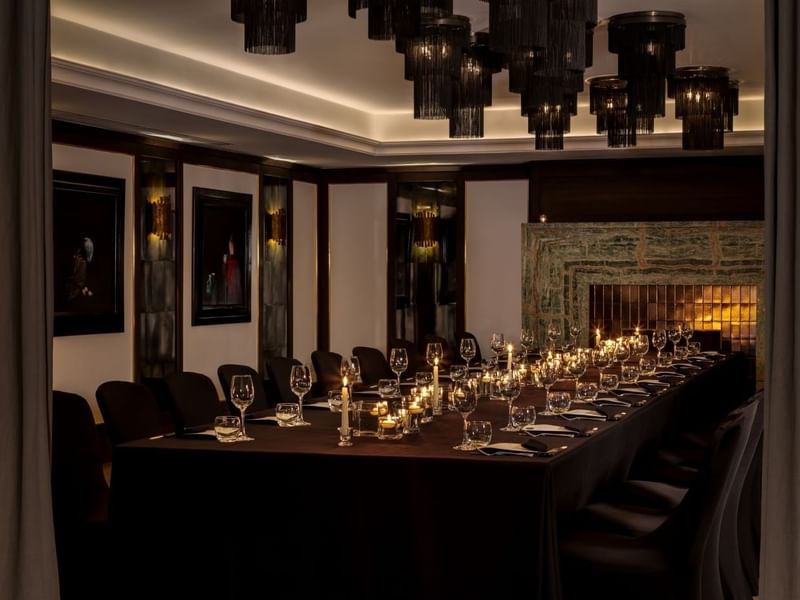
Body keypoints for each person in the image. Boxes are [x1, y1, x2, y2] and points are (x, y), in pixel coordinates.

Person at [221, 235, 242, 305]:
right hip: (228, 287)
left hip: (234, 289)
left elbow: (238, 277)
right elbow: (224, 273)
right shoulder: (227, 259)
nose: (230, 248)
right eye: (229, 246)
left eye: (232, 246)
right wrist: (224, 264)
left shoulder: (236, 261)